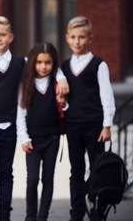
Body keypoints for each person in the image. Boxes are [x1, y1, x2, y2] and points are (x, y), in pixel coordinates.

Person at [0, 15, 69, 221]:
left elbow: (46, 67)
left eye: (3, 35)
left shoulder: (21, 63)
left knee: (6, 172)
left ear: (10, 37)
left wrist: (62, 77)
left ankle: (5, 214)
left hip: (9, 127)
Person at [61, 16, 115, 221]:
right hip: (73, 126)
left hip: (94, 126)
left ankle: (98, 211)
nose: (77, 41)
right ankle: (76, 212)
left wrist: (107, 125)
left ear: (90, 39)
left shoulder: (98, 65)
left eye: (82, 37)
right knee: (76, 170)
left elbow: (106, 96)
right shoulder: (64, 68)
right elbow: (63, 100)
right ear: (67, 38)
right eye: (73, 37)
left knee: (97, 170)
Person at [17, 42, 66, 221]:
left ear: (53, 64)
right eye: (39, 62)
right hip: (32, 140)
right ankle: (30, 216)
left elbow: (64, 110)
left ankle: (42, 216)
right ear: (33, 63)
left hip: (52, 139)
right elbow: (20, 112)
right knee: (32, 180)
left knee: (48, 178)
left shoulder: (57, 83)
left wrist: (63, 101)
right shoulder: (26, 84)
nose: (43, 67)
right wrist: (23, 137)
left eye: (48, 63)